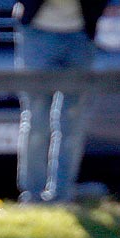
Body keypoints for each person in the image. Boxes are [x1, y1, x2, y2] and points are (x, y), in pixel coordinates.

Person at [14, 0, 109, 203]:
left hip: (80, 34)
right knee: (37, 118)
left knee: (72, 121)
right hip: (37, 31)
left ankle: (62, 196)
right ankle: (32, 196)